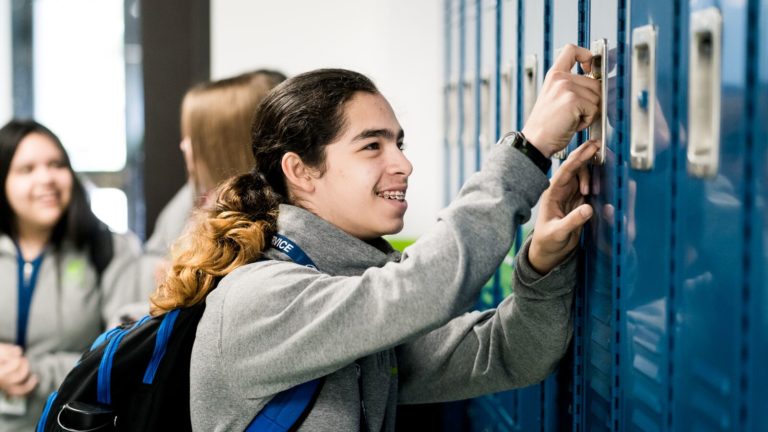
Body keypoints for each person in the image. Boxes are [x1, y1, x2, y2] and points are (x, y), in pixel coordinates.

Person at [150, 45, 600, 431]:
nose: (403, 165)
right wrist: (530, 148)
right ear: (300, 171)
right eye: (372, 146)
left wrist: (543, 265)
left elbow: (508, 353)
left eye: (398, 144)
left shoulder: (344, 294)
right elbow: (423, 289)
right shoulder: (263, 298)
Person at [0, 120, 141, 431]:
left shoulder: (109, 248)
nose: (47, 178)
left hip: (73, 426)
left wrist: (35, 371)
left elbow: (125, 355)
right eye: (27, 169)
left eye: (57, 164)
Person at [139, 69, 287, 298]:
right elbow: (153, 256)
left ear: (224, 144)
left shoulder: (272, 225)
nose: (184, 146)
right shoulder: (194, 197)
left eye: (193, 137)